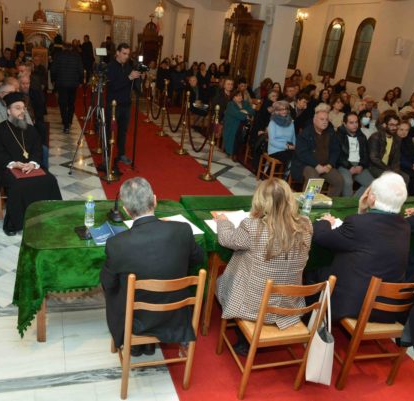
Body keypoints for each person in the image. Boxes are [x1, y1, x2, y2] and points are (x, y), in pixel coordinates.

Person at [100, 177, 204, 356]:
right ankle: (148, 344)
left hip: (137, 319)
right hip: (175, 313)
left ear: (126, 210)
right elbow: (198, 259)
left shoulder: (116, 243)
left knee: (116, 287)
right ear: (154, 200)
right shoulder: (183, 230)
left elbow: (108, 283)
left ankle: (135, 343)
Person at [215, 178, 312, 355]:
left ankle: (242, 335)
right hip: (289, 305)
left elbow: (227, 239)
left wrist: (223, 222)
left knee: (225, 275)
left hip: (253, 307)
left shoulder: (252, 226)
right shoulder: (305, 225)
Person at [312, 172, 410, 321]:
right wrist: (362, 212)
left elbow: (321, 237)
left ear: (372, 198)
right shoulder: (405, 226)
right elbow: (370, 237)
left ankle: (313, 324)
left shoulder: (358, 224)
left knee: (315, 273)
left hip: (356, 306)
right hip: (387, 308)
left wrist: (325, 221)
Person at [0, 92, 62, 236]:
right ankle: (14, 223)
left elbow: (37, 150)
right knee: (19, 185)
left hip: (30, 167)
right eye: (17, 108)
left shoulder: (30, 129)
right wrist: (13, 163)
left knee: (50, 180)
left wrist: (33, 163)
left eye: (23, 108)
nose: (22, 111)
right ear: (8, 111)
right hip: (8, 168)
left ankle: (51, 217)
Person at [291, 108, 344, 196]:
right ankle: (308, 203)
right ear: (314, 120)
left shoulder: (331, 133)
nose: (325, 122)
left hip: (326, 165)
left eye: (326, 119)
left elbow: (336, 150)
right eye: (322, 119)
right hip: (307, 164)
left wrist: (330, 165)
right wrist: (316, 165)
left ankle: (330, 202)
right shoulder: (305, 133)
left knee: (339, 181)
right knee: (314, 179)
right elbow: (302, 153)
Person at [106, 43, 141, 167]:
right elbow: (113, 86)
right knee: (110, 130)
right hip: (113, 104)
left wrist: (139, 77)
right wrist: (129, 77)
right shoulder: (110, 67)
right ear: (117, 53)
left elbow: (134, 87)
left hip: (126, 104)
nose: (126, 56)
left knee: (123, 131)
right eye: (124, 53)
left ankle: (121, 154)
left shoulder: (128, 67)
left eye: (128, 54)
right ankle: (107, 154)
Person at [336, 112, 374, 197]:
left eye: (356, 122)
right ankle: (349, 202)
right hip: (344, 165)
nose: (355, 125)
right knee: (348, 182)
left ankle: (354, 201)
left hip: (359, 165)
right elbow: (338, 155)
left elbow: (366, 154)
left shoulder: (362, 136)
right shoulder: (338, 136)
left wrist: (361, 165)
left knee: (373, 184)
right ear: (344, 124)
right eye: (351, 123)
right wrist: (349, 166)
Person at [51, 44, 84, 133]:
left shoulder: (58, 55)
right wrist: (81, 81)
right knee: (71, 103)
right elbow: (81, 70)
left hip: (61, 83)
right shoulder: (77, 56)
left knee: (63, 103)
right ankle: (69, 121)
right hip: (73, 84)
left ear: (63, 48)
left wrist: (53, 80)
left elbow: (53, 69)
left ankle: (65, 123)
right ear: (71, 48)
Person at [368, 113, 406, 181]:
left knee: (405, 178)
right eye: (391, 125)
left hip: (389, 167)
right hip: (374, 167)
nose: (394, 128)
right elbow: (374, 158)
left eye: (396, 125)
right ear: (384, 125)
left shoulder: (397, 139)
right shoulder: (376, 137)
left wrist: (395, 171)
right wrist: (388, 169)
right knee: (390, 179)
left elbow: (396, 159)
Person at [223, 89, 254, 158]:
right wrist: (245, 115)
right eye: (237, 96)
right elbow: (237, 114)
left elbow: (252, 111)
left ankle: (237, 152)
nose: (239, 97)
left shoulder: (245, 103)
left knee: (244, 130)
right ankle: (232, 152)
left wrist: (245, 112)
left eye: (240, 95)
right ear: (233, 97)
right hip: (232, 124)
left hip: (243, 124)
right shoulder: (231, 104)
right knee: (238, 130)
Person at [266, 100, 295, 172]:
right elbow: (272, 141)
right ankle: (284, 177)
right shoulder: (272, 122)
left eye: (285, 109)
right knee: (291, 159)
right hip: (275, 150)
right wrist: (287, 147)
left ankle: (287, 176)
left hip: (288, 149)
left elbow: (293, 138)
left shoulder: (291, 122)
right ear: (276, 111)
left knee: (300, 158)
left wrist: (294, 146)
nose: (284, 111)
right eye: (281, 109)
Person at [398, 120, 414, 197]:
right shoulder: (394, 140)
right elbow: (398, 157)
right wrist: (411, 166)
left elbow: (413, 154)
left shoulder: (409, 140)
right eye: (401, 129)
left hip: (410, 166)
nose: (404, 132)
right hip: (399, 165)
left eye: (406, 130)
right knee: (408, 177)